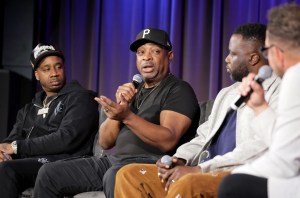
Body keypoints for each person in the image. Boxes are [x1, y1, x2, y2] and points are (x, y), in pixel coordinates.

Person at [114, 23, 281, 198]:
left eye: (233, 53)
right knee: (129, 176)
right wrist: (180, 159)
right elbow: (204, 136)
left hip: (236, 171)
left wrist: (200, 169)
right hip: (203, 168)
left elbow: (261, 146)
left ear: (253, 58)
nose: (227, 58)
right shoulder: (228, 93)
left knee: (188, 184)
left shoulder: (279, 91)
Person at [33, 28, 200, 198]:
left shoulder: (178, 89)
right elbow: (105, 143)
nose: (146, 57)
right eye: (141, 52)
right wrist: (119, 110)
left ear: (169, 56)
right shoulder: (134, 91)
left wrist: (127, 116)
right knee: (49, 173)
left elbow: (168, 140)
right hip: (115, 161)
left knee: (116, 176)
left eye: (155, 51)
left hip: (150, 164)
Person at [218, 4, 300, 198]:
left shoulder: (295, 76)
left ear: (277, 52)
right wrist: (260, 107)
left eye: (267, 49)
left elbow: (286, 164)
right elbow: (286, 146)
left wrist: (236, 175)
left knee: (234, 186)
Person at [0, 43, 99, 198]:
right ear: (37, 75)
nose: (54, 73)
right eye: (46, 69)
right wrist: (3, 151)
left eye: (58, 67)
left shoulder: (80, 98)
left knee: (7, 170)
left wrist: (17, 147)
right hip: (32, 161)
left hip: (64, 162)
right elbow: (12, 140)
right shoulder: (29, 108)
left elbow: (67, 138)